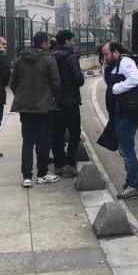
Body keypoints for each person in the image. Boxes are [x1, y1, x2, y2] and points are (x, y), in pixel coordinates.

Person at [10, 31, 62, 188]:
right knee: (43, 141)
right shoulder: (48, 59)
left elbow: (13, 83)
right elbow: (56, 83)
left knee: (27, 141)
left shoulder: (20, 59)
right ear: (45, 43)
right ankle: (42, 174)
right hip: (44, 107)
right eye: (48, 42)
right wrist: (54, 100)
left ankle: (26, 177)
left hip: (25, 108)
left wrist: (23, 98)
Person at [103, 41, 138, 200]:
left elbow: (135, 79)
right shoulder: (114, 64)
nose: (104, 57)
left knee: (126, 149)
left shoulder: (126, 62)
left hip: (128, 112)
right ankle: (130, 180)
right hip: (120, 112)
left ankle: (135, 185)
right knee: (124, 147)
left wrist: (117, 88)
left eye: (106, 54)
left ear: (116, 52)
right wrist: (105, 66)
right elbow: (107, 81)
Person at [51, 30, 85, 176]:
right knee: (75, 132)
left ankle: (59, 164)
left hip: (54, 101)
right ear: (66, 41)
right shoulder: (71, 57)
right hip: (70, 101)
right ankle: (70, 162)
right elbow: (78, 79)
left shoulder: (50, 56)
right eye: (72, 40)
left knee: (57, 134)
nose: (74, 42)